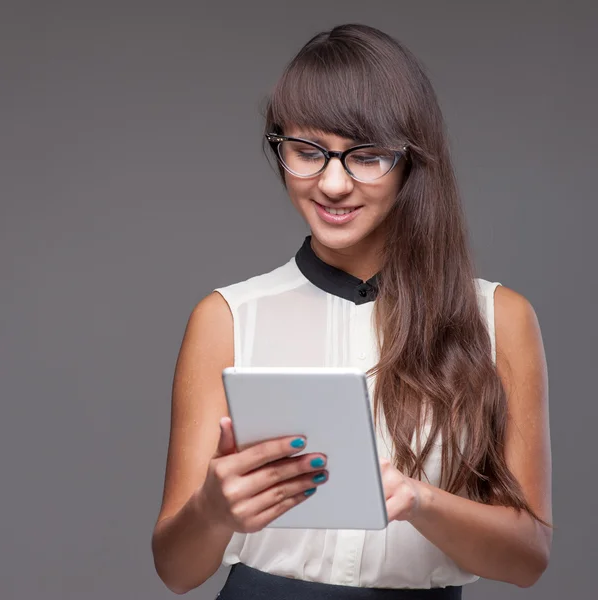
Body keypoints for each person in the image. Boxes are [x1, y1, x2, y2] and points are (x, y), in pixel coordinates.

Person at [150, 23, 552, 599]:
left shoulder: (499, 318)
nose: (332, 184)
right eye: (306, 152)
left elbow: (529, 559)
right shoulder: (228, 317)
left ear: (412, 161)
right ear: (279, 146)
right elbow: (175, 570)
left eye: (365, 157)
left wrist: (419, 501)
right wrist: (213, 509)